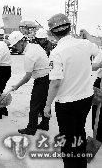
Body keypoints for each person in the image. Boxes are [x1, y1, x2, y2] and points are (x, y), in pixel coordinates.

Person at [43, 13, 100, 168]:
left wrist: (47, 106)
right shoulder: (85, 44)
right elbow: (99, 51)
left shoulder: (57, 52)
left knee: (68, 140)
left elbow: (55, 82)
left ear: (53, 33)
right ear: (69, 28)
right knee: (79, 132)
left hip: (67, 102)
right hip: (85, 98)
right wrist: (92, 65)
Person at [8, 31, 50, 135]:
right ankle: (45, 124)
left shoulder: (29, 55)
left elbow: (27, 76)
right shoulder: (35, 46)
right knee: (44, 103)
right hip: (48, 77)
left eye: (15, 46)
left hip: (42, 80)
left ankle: (31, 129)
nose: (15, 48)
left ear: (21, 42)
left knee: (34, 106)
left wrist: (17, 86)